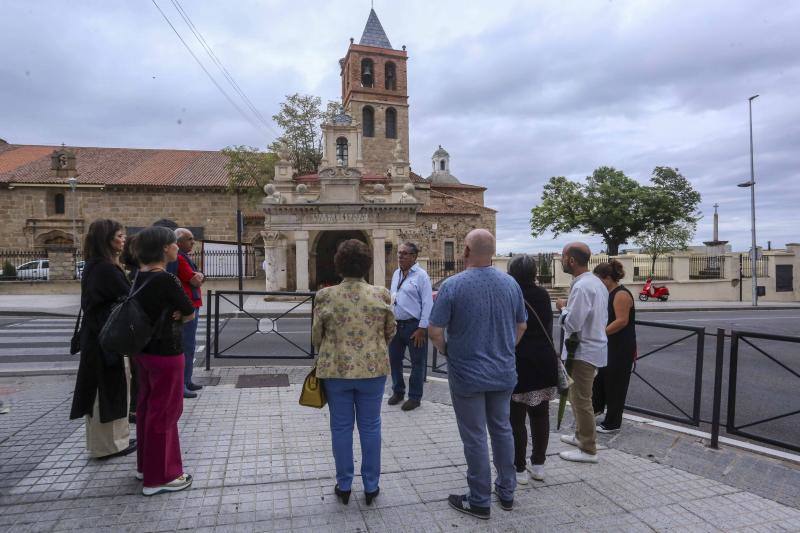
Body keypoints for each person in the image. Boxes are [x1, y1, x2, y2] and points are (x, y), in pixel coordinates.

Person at [429, 229, 526, 520]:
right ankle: (507, 492)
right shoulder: (511, 284)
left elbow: (435, 330)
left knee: (474, 436)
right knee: (502, 429)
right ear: (493, 251)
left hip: (467, 373)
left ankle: (480, 499)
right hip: (503, 371)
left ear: (467, 250)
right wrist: (505, 348)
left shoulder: (453, 285)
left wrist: (449, 352)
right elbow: (521, 326)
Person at [312, 239, 396, 507]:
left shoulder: (325, 296)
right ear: (366, 264)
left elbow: (316, 337)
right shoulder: (381, 294)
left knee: (341, 427)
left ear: (339, 264)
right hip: (373, 370)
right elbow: (390, 331)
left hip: (337, 370)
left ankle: (344, 483)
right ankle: (371, 485)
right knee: (371, 427)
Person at [132, 226, 196, 496]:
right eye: (173, 244)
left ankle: (146, 467)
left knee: (147, 407)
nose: (177, 248)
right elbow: (189, 311)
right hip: (166, 351)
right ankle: (161, 476)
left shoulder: (139, 276)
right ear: (163, 249)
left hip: (144, 350)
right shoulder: (165, 279)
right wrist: (180, 316)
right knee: (165, 412)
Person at [69, 219, 136, 459]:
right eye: (119, 236)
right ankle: (109, 445)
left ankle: (116, 439)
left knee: (113, 388)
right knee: (107, 390)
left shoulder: (97, 265)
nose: (123, 239)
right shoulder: (105, 269)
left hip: (100, 336)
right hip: (104, 339)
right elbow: (129, 297)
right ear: (107, 240)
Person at [506, 254, 558, 484]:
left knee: (515, 418)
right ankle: (538, 464)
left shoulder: (510, 294)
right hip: (544, 359)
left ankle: (519, 468)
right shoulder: (543, 294)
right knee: (540, 414)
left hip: (519, 359)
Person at [555, 242, 608, 464]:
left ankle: (588, 449)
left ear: (572, 260)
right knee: (579, 399)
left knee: (581, 399)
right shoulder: (595, 283)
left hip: (583, 351)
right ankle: (580, 437)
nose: (561, 260)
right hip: (590, 348)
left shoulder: (582, 287)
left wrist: (562, 308)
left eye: (563, 257)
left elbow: (573, 323)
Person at [387, 241, 433, 411]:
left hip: (415, 327)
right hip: (396, 325)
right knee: (394, 360)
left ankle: (414, 397)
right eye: (399, 253)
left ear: (414, 256)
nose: (400, 256)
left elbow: (428, 304)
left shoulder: (421, 276)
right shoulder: (396, 274)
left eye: (404, 253)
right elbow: (393, 298)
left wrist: (422, 328)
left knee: (417, 363)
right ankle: (398, 392)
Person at [592, 260, 636, 433]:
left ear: (608, 278)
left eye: (599, 279)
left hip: (620, 346)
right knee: (601, 380)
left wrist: (600, 334)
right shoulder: (608, 292)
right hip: (609, 344)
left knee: (616, 384)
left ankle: (612, 423)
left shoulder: (621, 294)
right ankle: (599, 412)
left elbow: (621, 321)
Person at [174, 228, 205, 399]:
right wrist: (198, 275)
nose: (193, 242)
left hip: (192, 304)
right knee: (186, 345)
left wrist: (199, 275)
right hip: (188, 306)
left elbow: (200, 277)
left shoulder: (185, 257)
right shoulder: (179, 258)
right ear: (178, 242)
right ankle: (183, 383)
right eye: (189, 239)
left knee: (190, 344)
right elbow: (195, 279)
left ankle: (187, 379)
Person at [120, 233, 140, 423]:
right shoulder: (137, 275)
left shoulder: (132, 273)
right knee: (137, 372)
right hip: (136, 332)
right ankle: (135, 409)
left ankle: (135, 407)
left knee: (137, 372)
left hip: (134, 331)